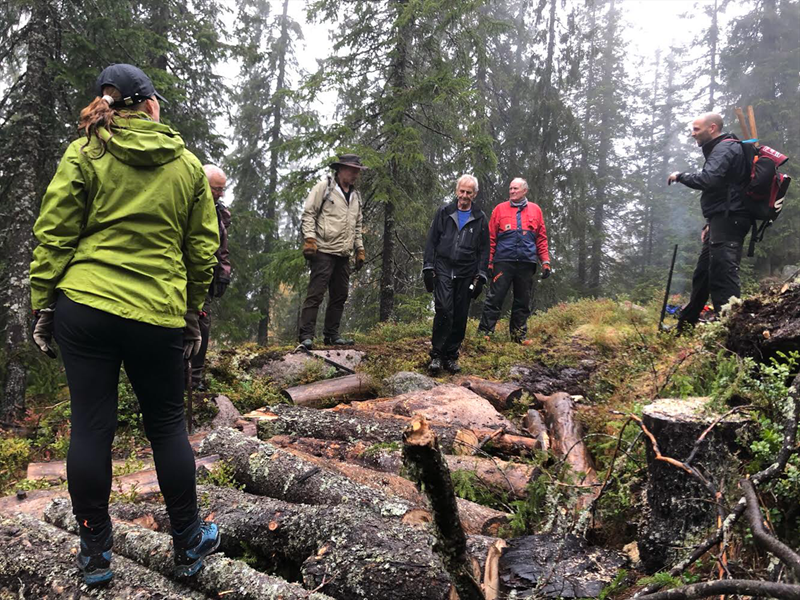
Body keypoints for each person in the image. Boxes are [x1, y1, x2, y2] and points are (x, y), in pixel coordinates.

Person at [29, 64, 220, 585]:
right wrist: (190, 311)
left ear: (107, 105)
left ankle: (94, 554)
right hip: (155, 313)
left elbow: (54, 233)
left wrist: (43, 302)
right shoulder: (186, 167)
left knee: (91, 425)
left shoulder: (85, 152)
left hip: (84, 305)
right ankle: (187, 543)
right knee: (165, 425)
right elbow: (202, 250)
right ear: (151, 105)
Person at [668, 112, 750, 330]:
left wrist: (681, 176)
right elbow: (725, 187)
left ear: (712, 128)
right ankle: (685, 326)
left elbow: (709, 179)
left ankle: (730, 330)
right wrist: (710, 223)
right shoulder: (723, 148)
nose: (692, 133)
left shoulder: (724, 148)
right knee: (704, 273)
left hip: (730, 219)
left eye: (696, 129)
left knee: (722, 273)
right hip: (721, 218)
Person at [422, 175, 489, 374]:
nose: (464, 196)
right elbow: (431, 240)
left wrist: (481, 275)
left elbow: (484, 249)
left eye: (469, 192)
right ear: (456, 191)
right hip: (443, 268)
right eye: (462, 191)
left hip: (466, 272)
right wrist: (428, 266)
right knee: (443, 309)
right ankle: (436, 355)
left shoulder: (480, 218)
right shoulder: (444, 212)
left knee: (460, 314)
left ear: (474, 194)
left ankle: (451, 356)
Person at [298, 153, 366, 349]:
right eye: (352, 170)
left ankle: (331, 335)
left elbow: (357, 224)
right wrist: (310, 239)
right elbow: (309, 214)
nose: (355, 175)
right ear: (340, 169)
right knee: (316, 294)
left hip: (344, 253)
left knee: (340, 295)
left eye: (357, 171)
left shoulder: (356, 196)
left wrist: (359, 249)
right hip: (323, 250)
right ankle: (306, 336)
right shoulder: (324, 188)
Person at [478, 178, 551, 343]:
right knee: (495, 297)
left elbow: (541, 238)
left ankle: (519, 337)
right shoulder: (499, 210)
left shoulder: (535, 210)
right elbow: (490, 238)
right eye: (510, 188)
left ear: (525, 190)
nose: (511, 191)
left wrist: (545, 261)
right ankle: (485, 334)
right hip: (503, 261)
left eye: (515, 188)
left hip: (526, 262)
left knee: (522, 301)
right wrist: (489, 262)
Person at [191, 164, 232, 390]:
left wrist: (223, 273)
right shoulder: (190, 205)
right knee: (185, 327)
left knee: (203, 325)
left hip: (207, 278)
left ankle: (195, 378)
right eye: (217, 188)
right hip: (187, 277)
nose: (221, 193)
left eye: (222, 189)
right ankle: (180, 376)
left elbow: (222, 249)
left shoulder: (220, 212)